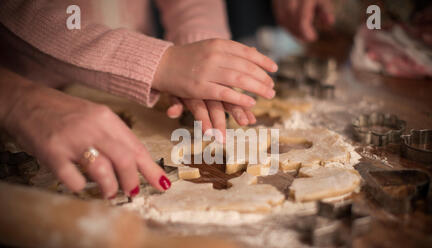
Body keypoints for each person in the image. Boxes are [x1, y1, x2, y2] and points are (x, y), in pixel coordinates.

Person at [0, 0, 278, 198]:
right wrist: (158, 62)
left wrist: (197, 46)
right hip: (29, 107)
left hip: (147, 88)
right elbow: (13, 10)